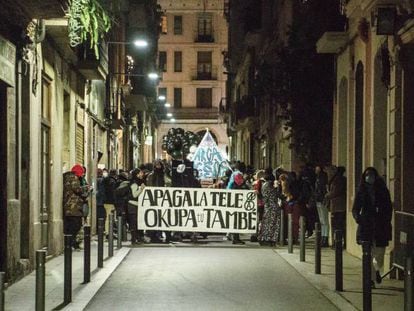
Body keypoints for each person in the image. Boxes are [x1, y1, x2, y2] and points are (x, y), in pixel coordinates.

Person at [352, 167, 393, 288]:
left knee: (379, 255)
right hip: (366, 225)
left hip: (380, 226)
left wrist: (386, 220)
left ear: (376, 177)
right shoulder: (361, 191)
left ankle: (376, 270)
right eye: (367, 175)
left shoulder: (382, 190)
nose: (369, 177)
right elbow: (355, 208)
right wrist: (358, 218)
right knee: (367, 254)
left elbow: (388, 207)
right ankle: (370, 279)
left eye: (371, 175)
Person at [63, 165, 84, 250]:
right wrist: (86, 188)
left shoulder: (66, 177)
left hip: (68, 206)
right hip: (73, 207)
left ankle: (70, 244)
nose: (82, 175)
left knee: (69, 226)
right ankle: (70, 244)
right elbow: (77, 189)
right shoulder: (74, 178)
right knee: (75, 225)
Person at [258, 168, 280, 246]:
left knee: (266, 223)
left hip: (267, 206)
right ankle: (269, 239)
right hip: (272, 206)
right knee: (272, 223)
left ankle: (264, 238)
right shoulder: (270, 186)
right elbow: (276, 195)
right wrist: (277, 188)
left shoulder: (264, 185)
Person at [326, 166, 347, 248]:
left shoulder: (337, 180)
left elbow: (334, 192)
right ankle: (340, 242)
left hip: (337, 206)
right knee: (340, 225)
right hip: (339, 206)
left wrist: (327, 195)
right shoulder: (341, 179)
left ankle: (336, 243)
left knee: (336, 225)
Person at [127, 168, 146, 244]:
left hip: (136, 205)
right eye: (140, 173)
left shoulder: (137, 182)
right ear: (137, 174)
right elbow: (135, 195)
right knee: (134, 223)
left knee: (136, 223)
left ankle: (137, 238)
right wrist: (141, 189)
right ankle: (134, 239)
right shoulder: (134, 183)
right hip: (133, 205)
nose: (142, 174)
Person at [230, 172, 248, 245]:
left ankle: (236, 238)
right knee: (236, 223)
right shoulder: (235, 186)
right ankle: (235, 238)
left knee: (237, 223)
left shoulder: (237, 185)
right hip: (236, 207)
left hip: (240, 207)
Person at [314, 165, 329, 246]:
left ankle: (325, 237)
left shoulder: (322, 178)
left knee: (324, 220)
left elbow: (324, 190)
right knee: (322, 220)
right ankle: (323, 237)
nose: (315, 170)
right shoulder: (318, 178)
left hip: (322, 200)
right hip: (319, 200)